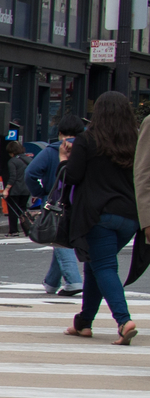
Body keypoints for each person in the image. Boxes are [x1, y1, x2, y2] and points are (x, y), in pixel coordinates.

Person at [62, 91, 142, 344]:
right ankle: (84, 322)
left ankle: (123, 320)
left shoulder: (87, 140)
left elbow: (72, 177)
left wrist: (64, 159)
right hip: (130, 216)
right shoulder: (137, 140)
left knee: (104, 266)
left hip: (98, 215)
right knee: (96, 265)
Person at [24, 120, 84, 296]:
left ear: (60, 134)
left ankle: (73, 281)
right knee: (60, 237)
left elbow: (30, 173)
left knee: (58, 235)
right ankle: (51, 282)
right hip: (81, 200)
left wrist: (40, 192)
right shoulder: (87, 150)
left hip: (56, 199)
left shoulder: (51, 151)